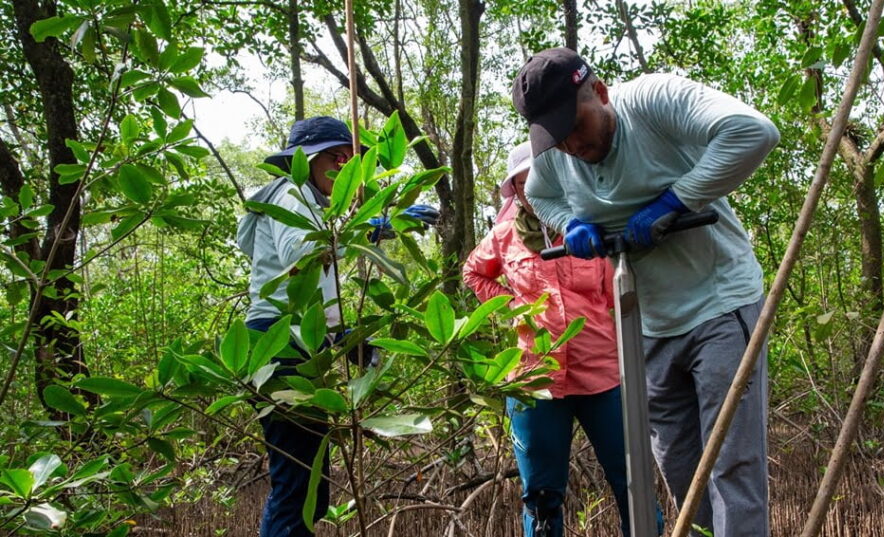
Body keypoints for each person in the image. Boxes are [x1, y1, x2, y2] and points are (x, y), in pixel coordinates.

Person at [512, 48, 780, 536]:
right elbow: (540, 193)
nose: (571, 144)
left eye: (576, 125)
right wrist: (568, 222)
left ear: (600, 92)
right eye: (556, 135)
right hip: (646, 323)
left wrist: (677, 200)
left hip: (718, 303)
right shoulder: (555, 154)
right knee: (680, 467)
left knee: (729, 467)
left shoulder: (654, 101)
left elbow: (754, 132)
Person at [236, 116, 438, 536]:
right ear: (306, 160)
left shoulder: (312, 201)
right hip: (279, 344)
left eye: (350, 160)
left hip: (298, 342)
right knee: (297, 486)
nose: (344, 167)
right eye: (335, 157)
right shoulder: (292, 193)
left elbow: (313, 289)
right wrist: (366, 227)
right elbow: (302, 255)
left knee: (309, 488)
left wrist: (344, 339)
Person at [462, 142, 662, 537]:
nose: (533, 189)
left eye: (540, 178)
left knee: (632, 482)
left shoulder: (592, 223)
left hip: (602, 373)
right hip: (534, 380)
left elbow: (618, 295)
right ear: (515, 191)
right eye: (523, 183)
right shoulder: (503, 236)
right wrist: (514, 307)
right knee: (540, 496)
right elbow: (474, 272)